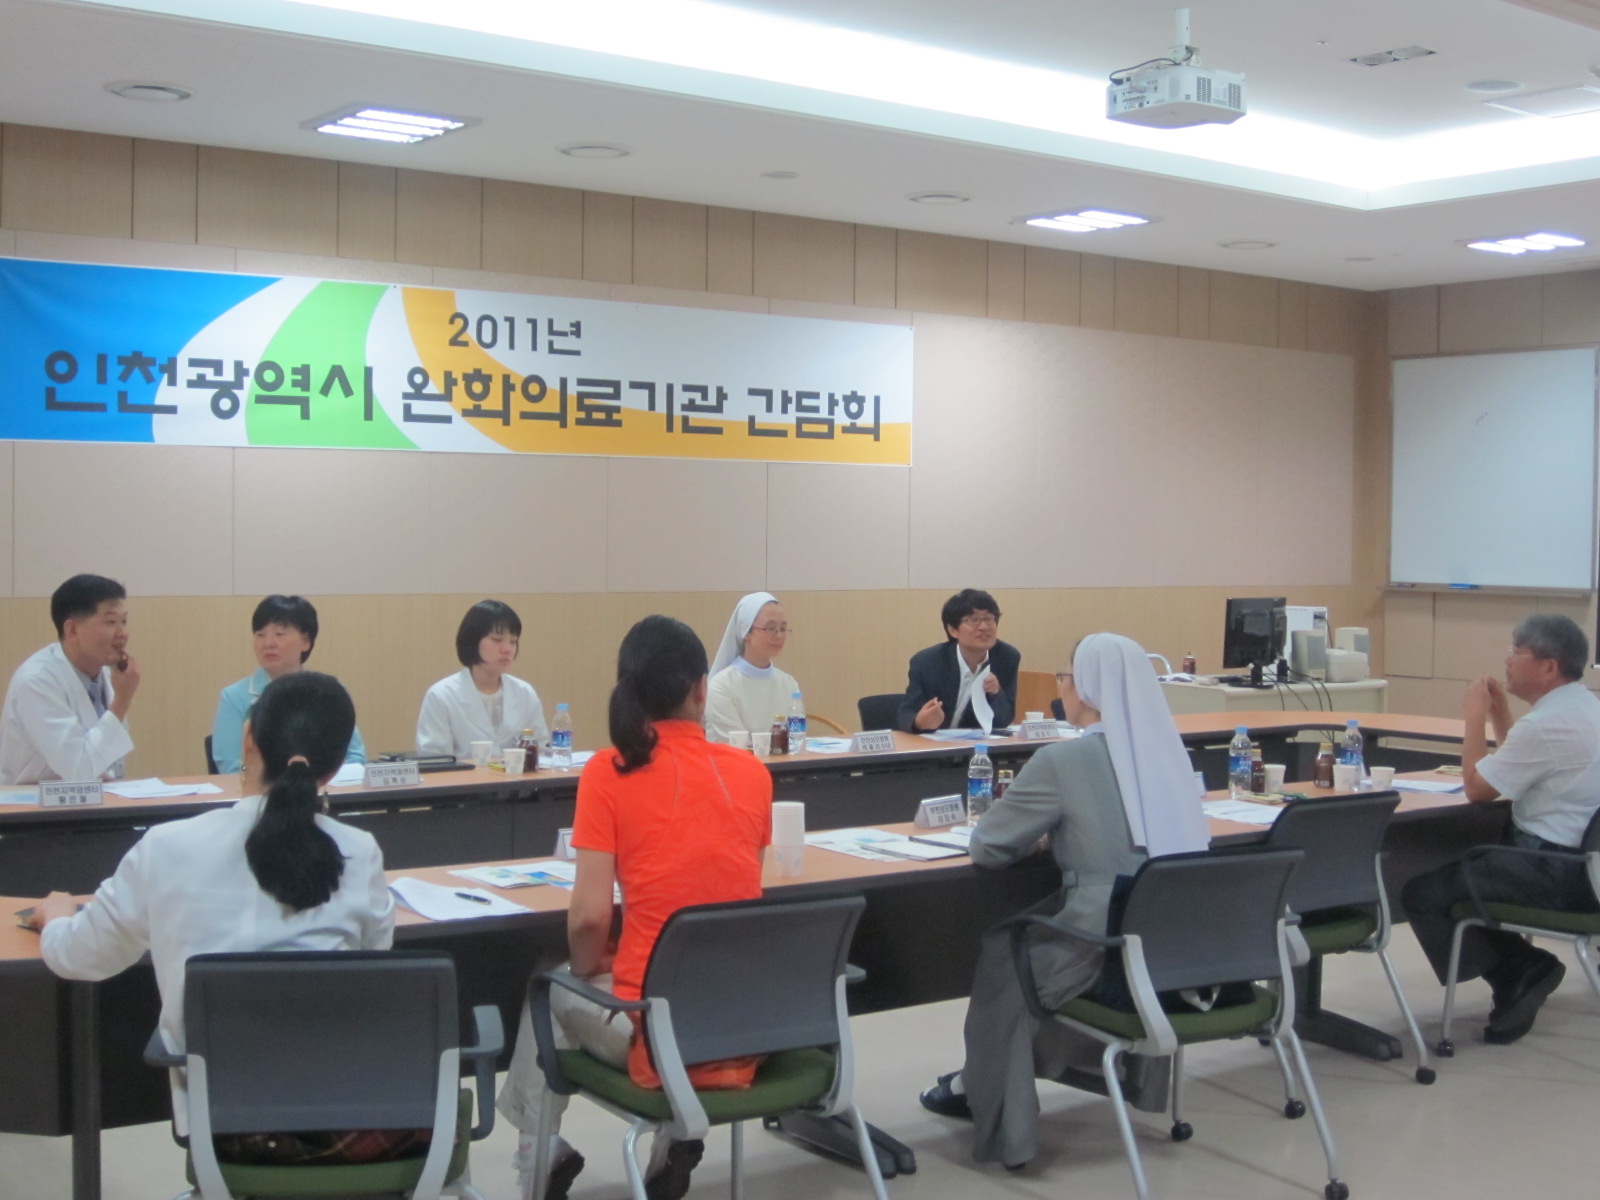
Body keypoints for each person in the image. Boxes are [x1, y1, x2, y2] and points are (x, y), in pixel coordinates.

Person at [31, 672, 398, 1160]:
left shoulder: (167, 847)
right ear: (333, 770)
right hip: (347, 1123)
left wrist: (56, 919)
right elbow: (373, 970)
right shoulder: (360, 851)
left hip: (224, 1128)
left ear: (248, 740)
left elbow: (82, 958)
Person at [497, 615, 772, 1200]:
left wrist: (587, 968)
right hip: (744, 1026)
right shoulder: (751, 773)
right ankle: (670, 1141)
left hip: (660, 1036)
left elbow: (589, 918)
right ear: (702, 689)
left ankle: (538, 1153)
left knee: (548, 984)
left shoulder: (610, 771)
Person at [917, 633, 1210, 1169]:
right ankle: (989, 1079)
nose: (1062, 689)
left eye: (1066, 678)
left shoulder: (1063, 760)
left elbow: (988, 846)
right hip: (1174, 947)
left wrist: (1046, 836)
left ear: (1090, 689)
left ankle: (1000, 1118)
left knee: (1006, 958)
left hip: (1102, 942)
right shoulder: (1169, 755)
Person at [1402, 613, 1600, 1045]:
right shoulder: (1585, 708)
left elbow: (1477, 789)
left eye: (1516, 652)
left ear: (1548, 667)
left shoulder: (1544, 725)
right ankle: (1520, 970)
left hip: (1551, 871)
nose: (1507, 661)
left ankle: (1519, 970)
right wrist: (1502, 714)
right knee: (1468, 870)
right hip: (1587, 870)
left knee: (1424, 892)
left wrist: (1473, 716)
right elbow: (1520, 766)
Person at [0, 574, 140, 785]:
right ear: (72, 630)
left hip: (97, 799)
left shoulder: (105, 675)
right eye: (111, 622)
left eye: (124, 621)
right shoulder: (37, 681)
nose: (123, 633)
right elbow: (79, 773)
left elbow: (109, 763)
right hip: (34, 803)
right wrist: (122, 700)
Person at [211, 595, 366, 775]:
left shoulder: (329, 693)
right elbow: (231, 766)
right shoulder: (234, 697)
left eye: (280, 634)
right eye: (260, 635)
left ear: (306, 642)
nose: (268, 643)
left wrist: (318, 782)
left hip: (326, 789)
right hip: (260, 791)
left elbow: (354, 757)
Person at [417, 600, 549, 758]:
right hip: (463, 775)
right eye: (497, 639)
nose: (507, 649)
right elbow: (434, 760)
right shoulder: (442, 695)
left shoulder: (524, 692)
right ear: (473, 641)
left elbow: (541, 752)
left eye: (513, 641)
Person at [896, 588, 1020, 733]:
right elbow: (906, 713)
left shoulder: (1007, 657)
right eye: (974, 620)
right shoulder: (927, 662)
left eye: (989, 619)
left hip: (976, 744)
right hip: (933, 744)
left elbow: (1004, 719)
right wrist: (919, 722)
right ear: (953, 630)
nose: (984, 627)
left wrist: (996, 693)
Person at [704, 591, 802, 743]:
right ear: (746, 632)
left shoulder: (789, 685)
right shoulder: (721, 686)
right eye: (771, 628)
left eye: (783, 629)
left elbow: (796, 739)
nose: (779, 636)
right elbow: (736, 745)